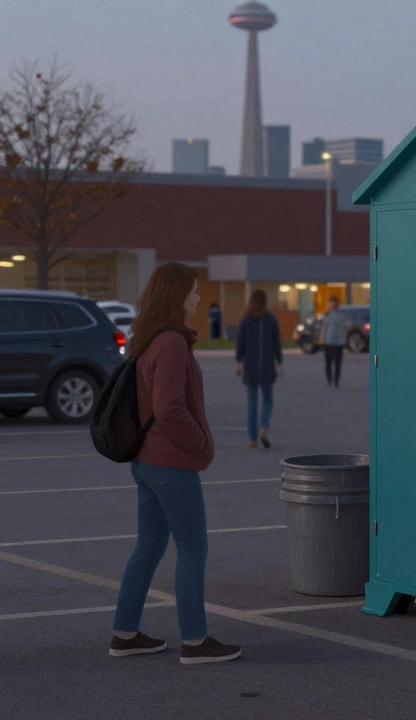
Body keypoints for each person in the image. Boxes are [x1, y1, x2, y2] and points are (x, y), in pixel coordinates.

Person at [111, 262, 241, 665]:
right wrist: (199, 442)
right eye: (194, 290)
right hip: (169, 463)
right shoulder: (171, 343)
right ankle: (196, 642)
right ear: (177, 295)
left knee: (148, 548)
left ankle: (125, 634)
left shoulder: (148, 337)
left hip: (148, 460)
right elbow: (169, 407)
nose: (198, 298)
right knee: (192, 548)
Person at [235, 289, 283, 449]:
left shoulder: (246, 320)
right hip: (267, 366)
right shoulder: (270, 319)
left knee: (252, 404)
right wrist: (279, 362)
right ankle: (264, 428)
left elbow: (240, 343)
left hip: (250, 368)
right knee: (268, 400)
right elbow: (277, 343)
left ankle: (252, 439)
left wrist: (238, 363)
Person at [318, 297, 347, 388]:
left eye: (334, 303)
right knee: (328, 362)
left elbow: (343, 329)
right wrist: (322, 340)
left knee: (338, 363)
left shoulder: (341, 315)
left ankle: (336, 381)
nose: (332, 305)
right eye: (331, 303)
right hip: (328, 342)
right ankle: (329, 380)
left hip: (339, 342)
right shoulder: (326, 315)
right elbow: (324, 328)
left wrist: (344, 341)